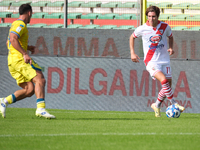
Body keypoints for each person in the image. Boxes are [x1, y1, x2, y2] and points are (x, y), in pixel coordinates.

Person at [0, 4, 55, 119]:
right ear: (29, 13)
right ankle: (41, 109)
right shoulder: (20, 24)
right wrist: (24, 53)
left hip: (12, 61)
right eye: (32, 14)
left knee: (29, 90)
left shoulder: (15, 24)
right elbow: (13, 38)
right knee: (40, 79)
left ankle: (4, 101)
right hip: (19, 60)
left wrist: (27, 47)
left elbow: (8, 42)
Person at [129, 6, 185, 117]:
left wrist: (171, 47)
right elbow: (132, 37)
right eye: (149, 16)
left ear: (157, 16)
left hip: (165, 60)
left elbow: (171, 36)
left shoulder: (164, 26)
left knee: (167, 86)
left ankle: (156, 105)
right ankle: (174, 103)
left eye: (153, 16)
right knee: (163, 80)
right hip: (151, 61)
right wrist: (132, 52)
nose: (151, 19)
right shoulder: (142, 28)